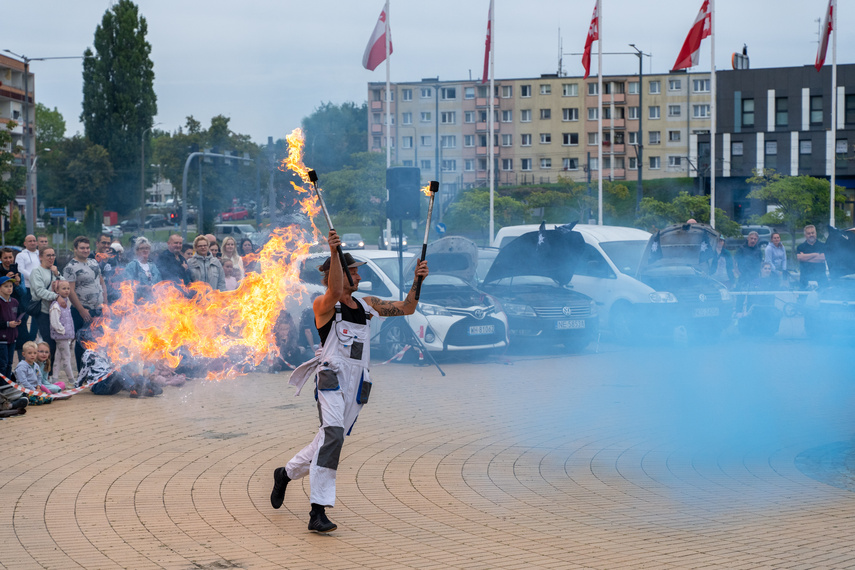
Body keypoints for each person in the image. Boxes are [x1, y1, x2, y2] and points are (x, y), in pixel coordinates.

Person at [269, 230, 429, 533]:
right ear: (336, 276)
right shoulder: (324, 305)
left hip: (357, 385)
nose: (356, 274)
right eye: (351, 270)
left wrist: (418, 280)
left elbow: (407, 307)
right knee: (332, 436)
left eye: (355, 270)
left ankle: (285, 474)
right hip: (331, 379)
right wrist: (333, 252)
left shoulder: (367, 305)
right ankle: (318, 510)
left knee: (326, 440)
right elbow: (334, 290)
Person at [63, 236, 108, 372]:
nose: (85, 250)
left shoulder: (94, 262)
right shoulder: (70, 267)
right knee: (82, 342)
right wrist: (81, 310)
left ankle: (96, 370)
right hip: (82, 310)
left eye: (87, 248)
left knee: (98, 341)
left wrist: (105, 304)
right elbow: (70, 291)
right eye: (82, 248)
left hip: (98, 309)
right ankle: (82, 372)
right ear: (75, 249)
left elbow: (102, 283)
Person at [30, 247, 61, 365]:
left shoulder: (54, 270)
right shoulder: (36, 272)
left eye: (53, 255)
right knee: (48, 343)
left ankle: (50, 373)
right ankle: (45, 372)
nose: (51, 258)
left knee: (56, 344)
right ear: (40, 257)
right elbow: (39, 291)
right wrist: (56, 296)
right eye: (48, 255)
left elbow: (64, 285)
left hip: (56, 313)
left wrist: (57, 273)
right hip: (43, 312)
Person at [15, 234, 39, 346]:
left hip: (37, 288)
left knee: (36, 314)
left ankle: (32, 337)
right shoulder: (21, 255)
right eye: (30, 241)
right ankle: (22, 340)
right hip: (27, 288)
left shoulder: (40, 254)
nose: (33, 243)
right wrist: (33, 277)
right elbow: (20, 269)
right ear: (25, 243)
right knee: (24, 314)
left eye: (34, 240)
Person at [49, 280, 75, 384]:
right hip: (61, 336)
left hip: (64, 336)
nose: (67, 290)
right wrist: (63, 331)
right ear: (57, 291)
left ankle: (54, 379)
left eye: (68, 288)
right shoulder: (56, 305)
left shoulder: (65, 303)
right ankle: (72, 380)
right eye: (63, 288)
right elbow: (55, 322)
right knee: (66, 358)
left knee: (58, 357)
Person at [123, 237, 162, 303]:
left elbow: (160, 283)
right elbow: (127, 285)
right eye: (142, 248)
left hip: (154, 303)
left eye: (147, 248)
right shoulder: (132, 266)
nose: (145, 250)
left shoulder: (153, 266)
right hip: (138, 303)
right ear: (137, 251)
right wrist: (143, 287)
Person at [15, 341, 52, 405]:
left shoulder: (36, 365)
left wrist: (38, 387)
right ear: (24, 354)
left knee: (49, 397)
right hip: (25, 391)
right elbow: (23, 381)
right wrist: (33, 389)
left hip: (35, 389)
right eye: (29, 353)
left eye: (35, 353)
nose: (32, 355)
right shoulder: (21, 367)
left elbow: (39, 377)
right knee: (40, 400)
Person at [0, 276, 21, 379]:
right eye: (6, 286)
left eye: (11, 286)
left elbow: (14, 316)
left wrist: (18, 321)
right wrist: (8, 324)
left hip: (12, 337)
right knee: (2, 364)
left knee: (9, 363)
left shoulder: (15, 302)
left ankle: (8, 386)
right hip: (1, 339)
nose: (9, 288)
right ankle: (2, 386)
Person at [796, 225, 827, 289]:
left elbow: (823, 258)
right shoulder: (800, 247)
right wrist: (815, 254)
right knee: (802, 298)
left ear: (816, 233)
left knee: (823, 298)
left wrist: (805, 257)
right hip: (805, 278)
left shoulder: (823, 245)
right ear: (805, 235)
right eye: (808, 233)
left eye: (813, 233)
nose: (811, 235)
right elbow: (800, 258)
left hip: (821, 277)